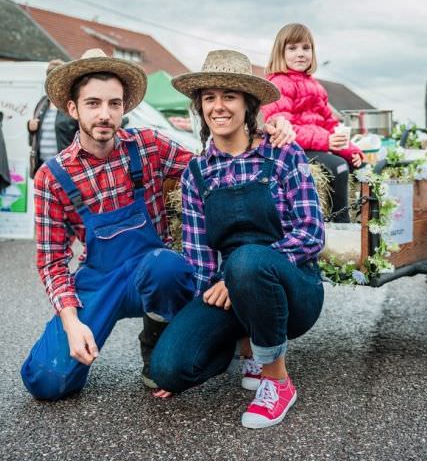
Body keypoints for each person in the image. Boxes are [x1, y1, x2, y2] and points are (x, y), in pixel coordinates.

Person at [20, 49, 296, 401]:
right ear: (73, 109)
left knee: (166, 266)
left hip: (152, 273)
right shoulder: (51, 176)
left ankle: (161, 341)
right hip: (99, 279)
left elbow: (213, 168)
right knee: (45, 380)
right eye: (93, 104)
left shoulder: (147, 146)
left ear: (124, 108)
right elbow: (52, 262)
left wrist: (263, 131)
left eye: (114, 104)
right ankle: (76, 346)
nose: (105, 114)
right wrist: (72, 324)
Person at [149, 50, 325, 429]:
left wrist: (240, 274)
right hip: (231, 289)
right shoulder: (197, 173)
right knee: (168, 369)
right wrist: (193, 329)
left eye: (229, 96)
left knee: (247, 261)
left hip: (294, 288)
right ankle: (243, 344)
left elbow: (311, 234)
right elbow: (200, 260)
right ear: (200, 107)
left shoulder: (282, 153)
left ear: (248, 105)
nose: (219, 106)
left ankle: (277, 382)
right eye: (209, 98)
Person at [262, 23, 364, 223]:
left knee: (358, 166)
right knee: (338, 167)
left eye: (306, 48)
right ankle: (339, 224)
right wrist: (326, 141)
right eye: (292, 48)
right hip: (293, 149)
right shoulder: (277, 84)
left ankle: (364, 222)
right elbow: (286, 129)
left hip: (317, 146)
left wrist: (350, 148)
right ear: (280, 53)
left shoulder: (315, 86)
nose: (300, 54)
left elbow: (330, 122)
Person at [27, 59, 79, 179]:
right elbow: (32, 140)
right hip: (43, 165)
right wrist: (31, 127)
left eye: (57, 77)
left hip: (66, 167)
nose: (53, 82)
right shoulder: (42, 103)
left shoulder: (71, 103)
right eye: (50, 77)